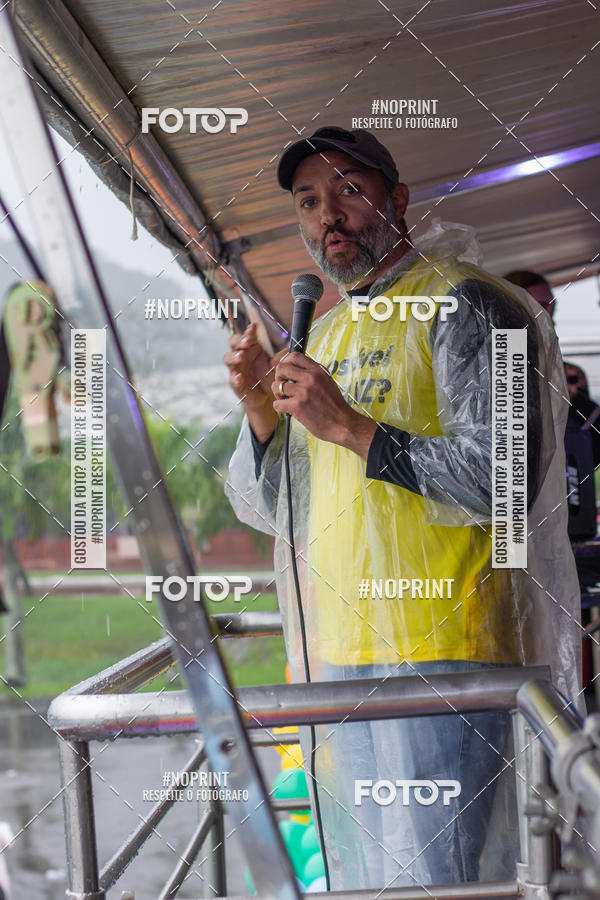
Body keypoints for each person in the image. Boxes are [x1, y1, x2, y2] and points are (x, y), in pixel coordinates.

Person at [224, 126, 581, 890]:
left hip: (452, 649)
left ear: (400, 199)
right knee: (376, 878)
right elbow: (287, 509)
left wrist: (352, 427)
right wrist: (260, 411)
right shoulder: (325, 333)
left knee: (440, 879)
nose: (329, 215)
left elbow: (507, 479)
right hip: (345, 654)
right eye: (308, 201)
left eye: (349, 190)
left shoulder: (473, 303)